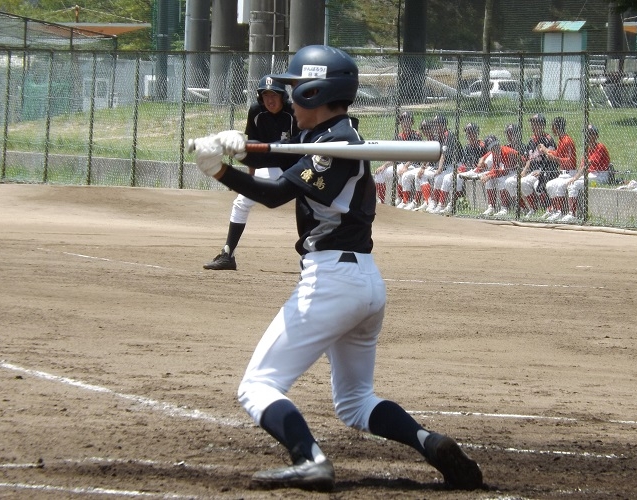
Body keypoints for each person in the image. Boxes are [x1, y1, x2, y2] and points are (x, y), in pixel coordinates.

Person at [190, 45, 484, 492]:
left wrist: (219, 171)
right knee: (355, 402)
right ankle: (429, 442)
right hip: (364, 282)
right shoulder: (328, 136)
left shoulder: (336, 145)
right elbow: (279, 159)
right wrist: (240, 149)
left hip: (331, 281)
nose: (290, 99)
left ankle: (310, 460)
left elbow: (274, 195)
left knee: (258, 386)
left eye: (296, 89)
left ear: (316, 91)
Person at [202, 75, 299, 270]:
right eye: (266, 95)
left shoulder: (294, 113)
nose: (270, 99)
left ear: (283, 96)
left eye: (274, 95)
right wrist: (250, 178)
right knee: (241, 202)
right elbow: (253, 150)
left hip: (297, 165)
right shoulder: (256, 111)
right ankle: (228, 254)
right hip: (271, 165)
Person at [559, 124, 611, 223]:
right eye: (586, 134)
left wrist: (575, 178)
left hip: (600, 175)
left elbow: (587, 164)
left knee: (573, 184)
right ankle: (561, 211)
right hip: (591, 175)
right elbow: (582, 166)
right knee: (570, 183)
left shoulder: (600, 147)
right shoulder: (587, 149)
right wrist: (575, 177)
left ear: (596, 135)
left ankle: (572, 214)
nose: (588, 136)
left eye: (590, 133)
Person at [433, 122, 486, 215]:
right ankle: (440, 205)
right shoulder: (467, 147)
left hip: (478, 171)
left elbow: (483, 163)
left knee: (458, 178)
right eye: (467, 133)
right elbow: (464, 163)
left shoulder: (481, 146)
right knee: (447, 177)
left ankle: (451, 204)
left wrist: (463, 171)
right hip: (467, 171)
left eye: (471, 132)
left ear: (476, 133)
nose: (468, 135)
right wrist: (459, 170)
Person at [463, 135, 523, 216]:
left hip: (518, 170)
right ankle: (491, 207)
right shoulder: (495, 153)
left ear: (498, 144)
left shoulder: (506, 152)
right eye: (492, 148)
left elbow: (504, 172)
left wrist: (488, 176)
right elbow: (496, 169)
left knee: (501, 180)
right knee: (490, 180)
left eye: (496, 146)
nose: (495, 148)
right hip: (508, 171)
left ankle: (504, 208)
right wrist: (487, 175)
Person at [373, 110, 423, 207]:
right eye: (403, 120)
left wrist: (406, 166)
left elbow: (416, 153)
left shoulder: (416, 135)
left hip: (413, 165)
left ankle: (402, 199)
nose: (405, 122)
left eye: (407, 120)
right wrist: (384, 166)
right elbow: (393, 155)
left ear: (412, 122)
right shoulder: (398, 136)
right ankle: (382, 202)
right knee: (379, 173)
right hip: (400, 165)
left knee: (402, 173)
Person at [518, 113, 557, 217]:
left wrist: (541, 171)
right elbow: (529, 159)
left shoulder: (548, 139)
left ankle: (549, 208)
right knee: (522, 182)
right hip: (534, 172)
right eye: (532, 123)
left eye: (535, 123)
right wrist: (524, 171)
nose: (532, 126)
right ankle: (533, 208)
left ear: (542, 125)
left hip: (547, 172)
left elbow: (552, 159)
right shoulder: (532, 140)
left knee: (537, 185)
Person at [541, 117, 577, 221]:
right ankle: (556, 211)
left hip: (570, 173)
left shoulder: (567, 140)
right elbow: (558, 154)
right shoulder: (561, 139)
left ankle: (561, 212)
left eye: (553, 126)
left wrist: (554, 158)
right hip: (562, 174)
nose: (552, 129)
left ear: (556, 127)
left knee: (559, 185)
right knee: (550, 184)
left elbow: (570, 161)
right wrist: (546, 151)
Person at [426, 114, 463, 214]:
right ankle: (434, 203)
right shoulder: (438, 136)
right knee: (438, 178)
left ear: (442, 124)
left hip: (456, 165)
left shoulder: (449, 135)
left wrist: (439, 169)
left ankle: (441, 205)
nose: (434, 126)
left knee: (444, 178)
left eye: (436, 124)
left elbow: (443, 155)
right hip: (447, 166)